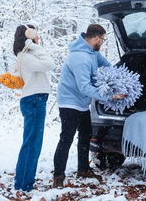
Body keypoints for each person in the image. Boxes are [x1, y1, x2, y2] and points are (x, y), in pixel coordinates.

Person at [53, 24, 123, 188]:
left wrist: (121, 79)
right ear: (96, 38)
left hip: (82, 102)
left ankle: (83, 169)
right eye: (103, 40)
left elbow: (106, 65)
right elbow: (84, 86)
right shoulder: (80, 58)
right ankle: (58, 176)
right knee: (66, 138)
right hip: (69, 103)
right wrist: (109, 95)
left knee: (86, 135)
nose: (103, 43)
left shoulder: (92, 53)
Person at [13, 24, 55, 192]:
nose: (38, 36)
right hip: (35, 101)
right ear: (29, 35)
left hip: (35, 100)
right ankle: (24, 185)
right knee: (32, 144)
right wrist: (35, 44)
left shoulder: (27, 55)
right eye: (35, 34)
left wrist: (33, 46)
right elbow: (49, 64)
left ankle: (22, 182)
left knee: (30, 142)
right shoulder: (28, 56)